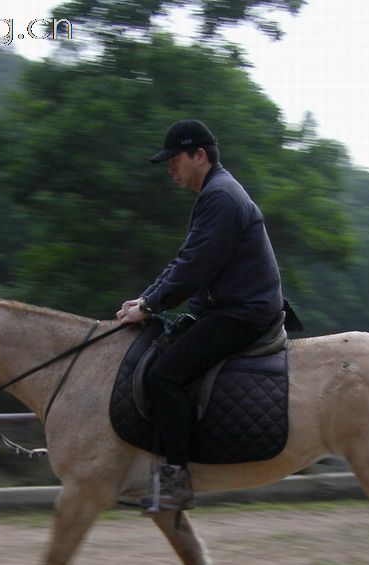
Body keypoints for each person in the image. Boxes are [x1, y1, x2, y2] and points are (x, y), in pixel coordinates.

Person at [117, 119, 284, 512]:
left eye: (175, 161)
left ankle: (175, 481)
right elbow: (184, 261)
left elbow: (195, 267)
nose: (170, 170)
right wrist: (145, 300)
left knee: (164, 374)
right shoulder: (215, 194)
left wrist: (150, 305)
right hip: (230, 308)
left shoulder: (221, 197)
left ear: (200, 156)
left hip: (244, 313)